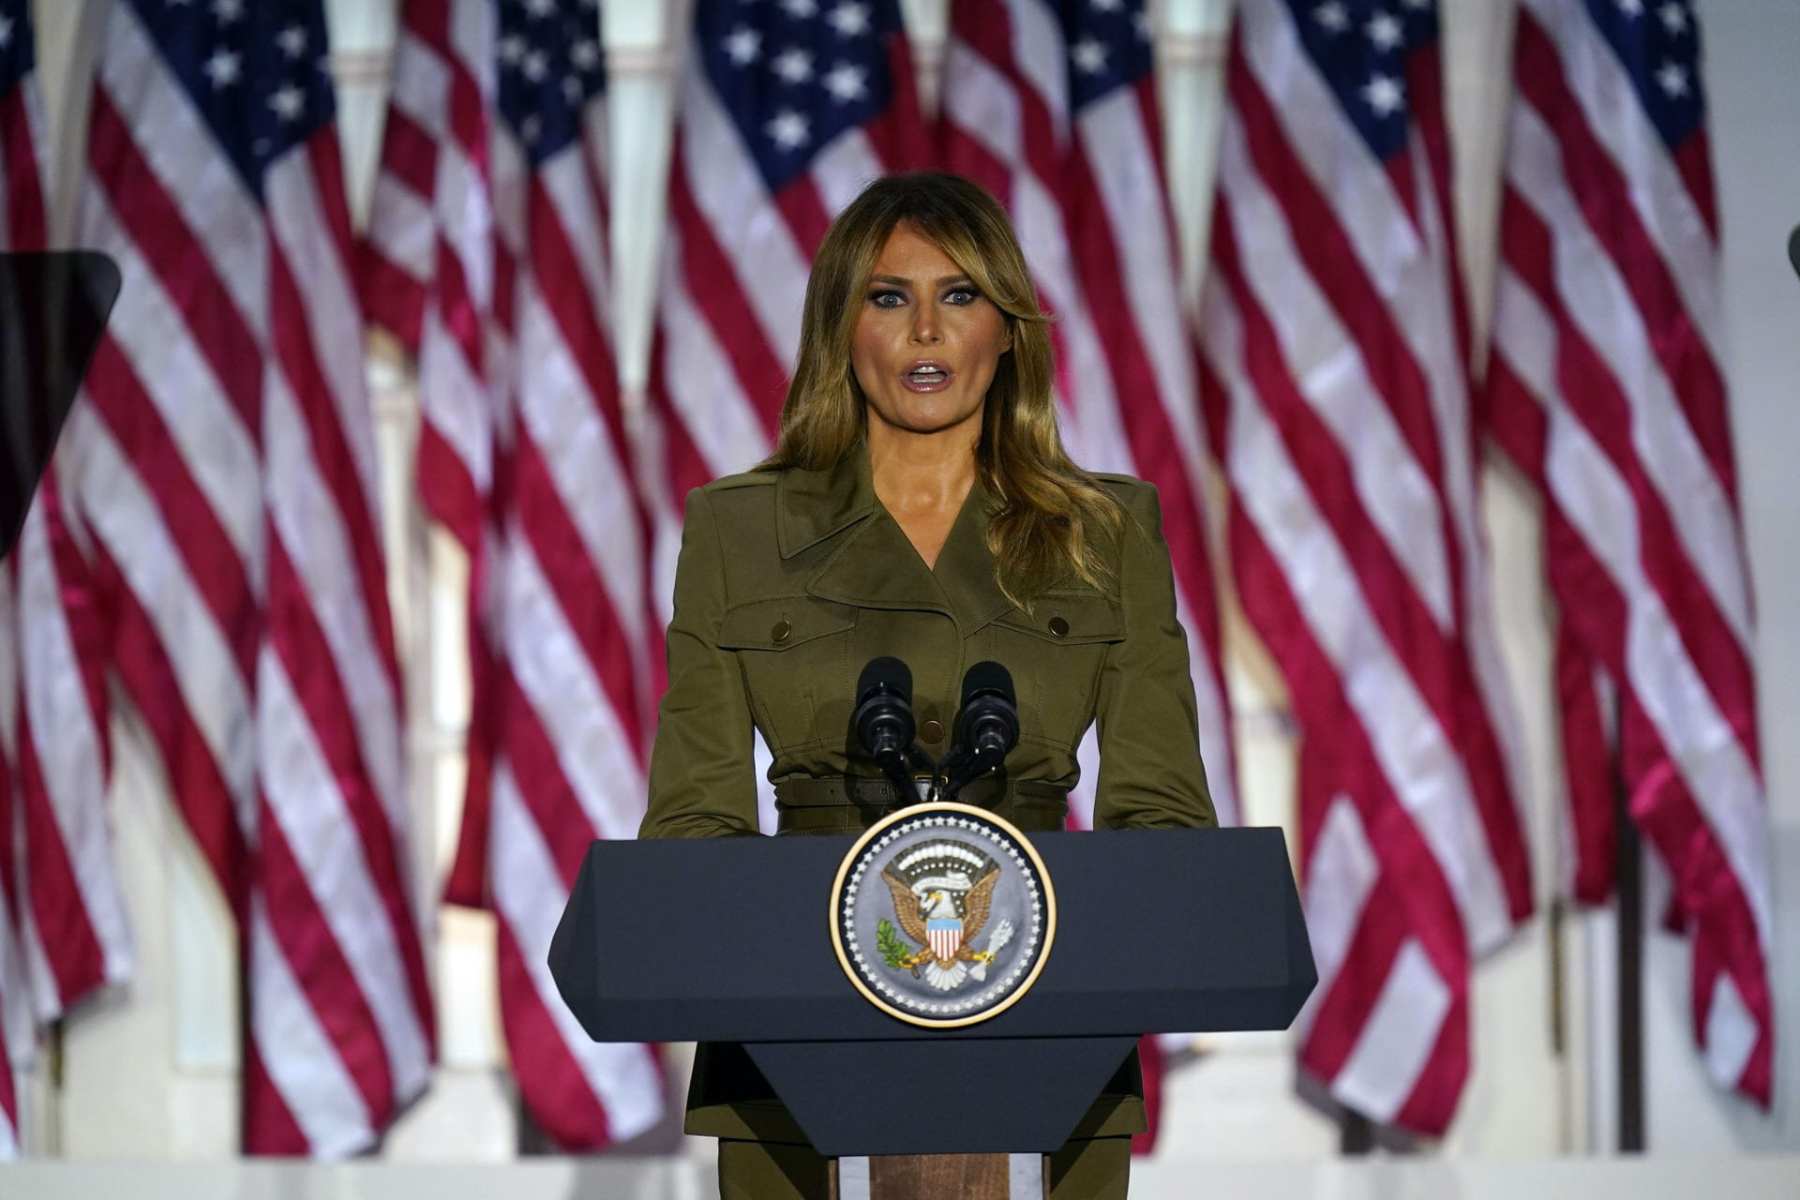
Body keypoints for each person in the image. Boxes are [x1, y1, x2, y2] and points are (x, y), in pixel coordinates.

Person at [638, 171, 1217, 1199]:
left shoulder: (1108, 530)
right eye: (888, 296)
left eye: (959, 296)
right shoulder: (739, 530)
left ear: (1007, 329)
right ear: (839, 327)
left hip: (1048, 1007)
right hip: (793, 1024)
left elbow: (1160, 817)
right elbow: (694, 825)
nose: (925, 332)